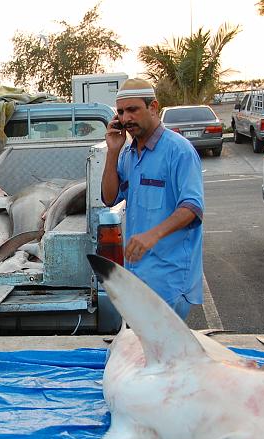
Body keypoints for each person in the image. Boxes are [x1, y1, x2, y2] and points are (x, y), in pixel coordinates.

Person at [101, 78, 204, 320]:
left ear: (153, 107)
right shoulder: (128, 153)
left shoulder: (179, 151)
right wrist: (112, 152)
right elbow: (109, 197)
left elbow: (192, 207)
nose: (126, 118)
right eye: (121, 112)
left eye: (133, 110)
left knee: (165, 351)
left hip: (169, 277)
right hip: (138, 274)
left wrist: (152, 235)